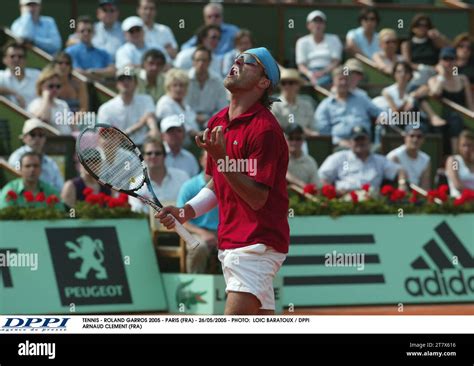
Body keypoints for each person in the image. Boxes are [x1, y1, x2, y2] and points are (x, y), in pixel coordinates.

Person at [157, 47, 289, 315]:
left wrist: (223, 158)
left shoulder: (265, 131)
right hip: (231, 242)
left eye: (248, 61)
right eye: (237, 58)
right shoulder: (217, 121)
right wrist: (185, 212)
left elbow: (257, 198)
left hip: (256, 244)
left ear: (264, 83)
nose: (237, 62)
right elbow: (217, 185)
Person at [318, 126, 408, 195]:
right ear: (350, 142)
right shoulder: (338, 157)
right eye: (357, 139)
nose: (360, 142)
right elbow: (322, 177)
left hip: (371, 200)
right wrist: (334, 192)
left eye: (363, 139)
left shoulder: (379, 160)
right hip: (344, 198)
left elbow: (400, 170)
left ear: (369, 142)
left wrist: (402, 184)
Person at [315, 66, 383, 148]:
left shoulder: (361, 98)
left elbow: (380, 112)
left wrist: (382, 117)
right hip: (339, 146)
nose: (344, 82)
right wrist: (339, 142)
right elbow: (323, 132)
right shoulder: (326, 105)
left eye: (346, 79)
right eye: (340, 79)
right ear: (334, 81)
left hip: (364, 143)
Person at [177, 150, 219, 273]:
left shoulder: (228, 184)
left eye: (215, 159)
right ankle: (195, 286)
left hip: (221, 232)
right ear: (201, 161)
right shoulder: (189, 186)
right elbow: (181, 219)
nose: (212, 162)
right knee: (199, 247)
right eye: (208, 159)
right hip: (195, 231)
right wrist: (202, 233)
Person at [428, 47, 474, 154]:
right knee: (454, 119)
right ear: (440, 62)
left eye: (451, 59)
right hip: (443, 118)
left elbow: (470, 104)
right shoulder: (434, 80)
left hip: (462, 118)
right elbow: (435, 93)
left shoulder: (463, 79)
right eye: (445, 59)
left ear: (456, 61)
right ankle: (455, 156)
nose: (448, 63)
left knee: (457, 120)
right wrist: (442, 76)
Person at [97, 68, 158, 146]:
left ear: (136, 83)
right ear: (117, 84)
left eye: (129, 79)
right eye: (122, 79)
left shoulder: (146, 99)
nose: (125, 82)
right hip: (118, 149)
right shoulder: (105, 108)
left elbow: (150, 118)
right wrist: (140, 123)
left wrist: (153, 129)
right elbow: (105, 136)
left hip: (143, 146)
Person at [129, 137, 189, 213]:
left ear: (165, 156)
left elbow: (189, 205)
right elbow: (136, 211)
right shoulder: (135, 183)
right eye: (149, 153)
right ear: (143, 157)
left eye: (157, 153)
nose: (153, 156)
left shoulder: (182, 177)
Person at [8, 118, 63, 192]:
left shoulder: (50, 162)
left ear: (45, 139)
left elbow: (60, 187)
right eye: (33, 134)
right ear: (24, 138)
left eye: (41, 135)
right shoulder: (16, 158)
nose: (37, 138)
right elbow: (16, 176)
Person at [296, 10, 342, 88]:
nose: (318, 25)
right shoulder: (301, 42)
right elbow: (301, 65)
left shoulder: (334, 39)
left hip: (329, 72)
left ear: (324, 25)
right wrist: (310, 75)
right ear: (308, 25)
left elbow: (336, 62)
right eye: (314, 21)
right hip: (309, 74)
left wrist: (323, 72)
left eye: (320, 22)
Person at [185, 46, 228, 130]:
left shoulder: (217, 81)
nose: (201, 63)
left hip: (211, 119)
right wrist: (193, 117)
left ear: (209, 62)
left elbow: (223, 107)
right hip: (187, 118)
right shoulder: (184, 79)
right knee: (179, 119)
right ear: (193, 62)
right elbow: (180, 106)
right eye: (198, 60)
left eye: (204, 60)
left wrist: (210, 119)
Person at [401, 13, 449, 85]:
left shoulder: (434, 41)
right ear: (413, 28)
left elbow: (448, 49)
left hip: (435, 72)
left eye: (425, 26)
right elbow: (407, 63)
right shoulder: (406, 44)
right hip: (416, 73)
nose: (422, 28)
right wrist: (422, 68)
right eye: (418, 25)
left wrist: (437, 36)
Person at [65, 16, 115, 80]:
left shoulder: (103, 52)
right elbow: (76, 72)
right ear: (77, 32)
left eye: (89, 31)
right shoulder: (69, 52)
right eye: (82, 31)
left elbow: (112, 71)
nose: (86, 33)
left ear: (94, 32)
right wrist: (100, 75)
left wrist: (93, 71)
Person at [27, 67, 73, 135]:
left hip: (68, 141)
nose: (54, 89)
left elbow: (73, 126)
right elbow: (44, 119)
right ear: (41, 86)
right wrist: (46, 97)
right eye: (51, 86)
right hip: (51, 142)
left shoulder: (63, 104)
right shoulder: (36, 103)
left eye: (58, 86)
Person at [271, 68, 317, 136]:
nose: (287, 86)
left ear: (298, 85)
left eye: (291, 83)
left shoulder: (307, 105)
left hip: (305, 141)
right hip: (284, 142)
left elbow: (314, 129)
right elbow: (275, 130)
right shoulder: (274, 106)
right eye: (283, 83)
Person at [155, 69, 199, 134]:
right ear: (168, 87)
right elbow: (177, 126)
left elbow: (186, 119)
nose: (178, 89)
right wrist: (198, 134)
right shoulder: (165, 103)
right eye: (175, 85)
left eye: (181, 85)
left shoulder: (184, 103)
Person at [387, 126, 431, 190]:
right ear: (405, 137)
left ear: (423, 139)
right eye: (412, 136)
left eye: (419, 136)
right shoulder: (394, 156)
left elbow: (425, 185)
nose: (415, 139)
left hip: (416, 195)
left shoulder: (426, 159)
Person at [0, 41, 40, 108]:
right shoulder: (1, 75)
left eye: (20, 56)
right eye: (12, 56)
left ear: (25, 60)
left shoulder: (37, 75)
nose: (16, 59)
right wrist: (13, 93)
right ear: (4, 59)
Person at [284, 124, 320, 189]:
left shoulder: (310, 162)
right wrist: (303, 186)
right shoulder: (278, 159)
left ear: (303, 140)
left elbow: (316, 187)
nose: (294, 142)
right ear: (284, 139)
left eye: (298, 138)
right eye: (291, 138)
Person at [446, 130, 474, 198]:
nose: (466, 149)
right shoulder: (454, 161)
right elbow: (457, 185)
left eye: (469, 145)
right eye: (464, 145)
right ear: (458, 146)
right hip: (459, 202)